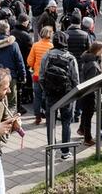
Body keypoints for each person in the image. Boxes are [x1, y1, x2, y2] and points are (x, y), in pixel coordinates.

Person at [39, 31, 79, 160]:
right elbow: (76, 80)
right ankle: (65, 152)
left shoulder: (47, 56)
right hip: (67, 95)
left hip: (50, 95)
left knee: (51, 123)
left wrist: (46, 90)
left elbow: (41, 76)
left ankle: (51, 150)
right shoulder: (71, 58)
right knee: (66, 123)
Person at [0, 20, 26, 111]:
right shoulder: (13, 45)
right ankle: (10, 121)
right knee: (11, 103)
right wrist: (23, 76)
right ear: (8, 30)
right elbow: (19, 62)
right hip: (11, 77)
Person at [77, 41, 102, 146]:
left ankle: (81, 129)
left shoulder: (88, 58)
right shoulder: (93, 65)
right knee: (89, 114)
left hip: (84, 93)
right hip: (90, 94)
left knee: (85, 112)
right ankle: (87, 138)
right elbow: (92, 82)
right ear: (97, 51)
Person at [27, 27, 54, 125]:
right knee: (47, 97)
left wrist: (34, 66)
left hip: (36, 75)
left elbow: (29, 61)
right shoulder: (52, 46)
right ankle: (48, 117)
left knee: (37, 96)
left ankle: (37, 117)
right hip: (48, 77)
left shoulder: (35, 45)